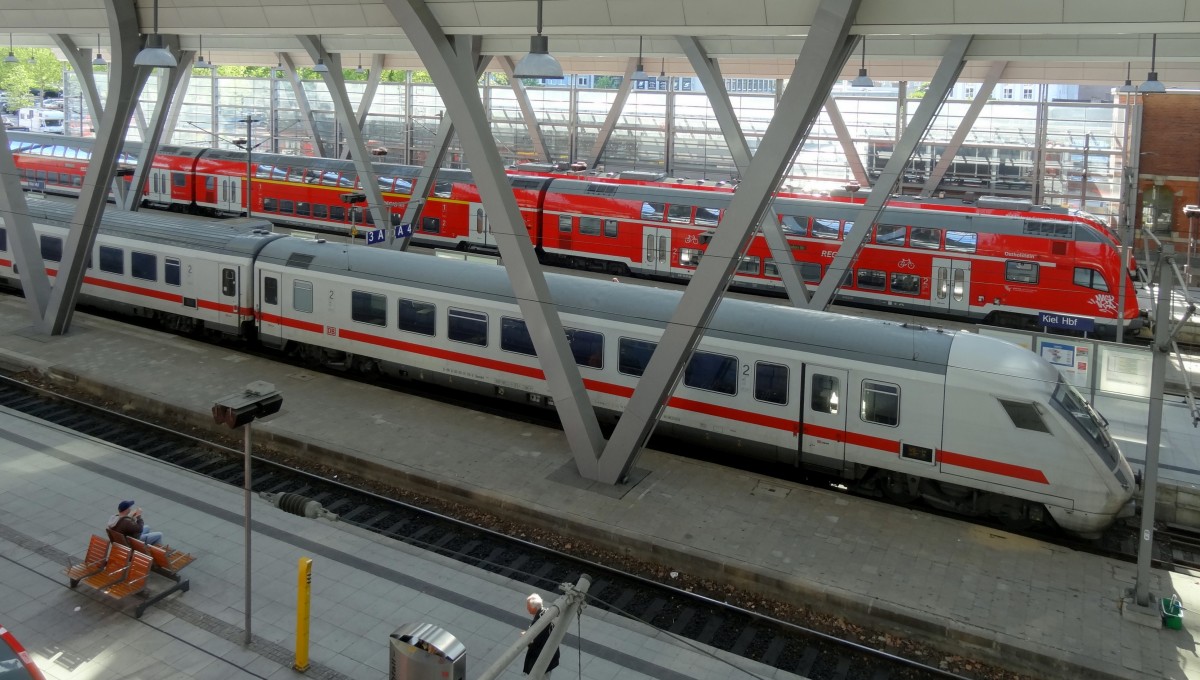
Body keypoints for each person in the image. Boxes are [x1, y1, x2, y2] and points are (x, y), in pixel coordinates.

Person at [522, 593, 560, 677]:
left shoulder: (538, 622)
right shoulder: (547, 612)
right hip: (549, 657)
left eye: (528, 605)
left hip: (541, 660)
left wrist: (526, 636)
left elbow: (534, 642)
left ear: (533, 608)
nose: (527, 607)